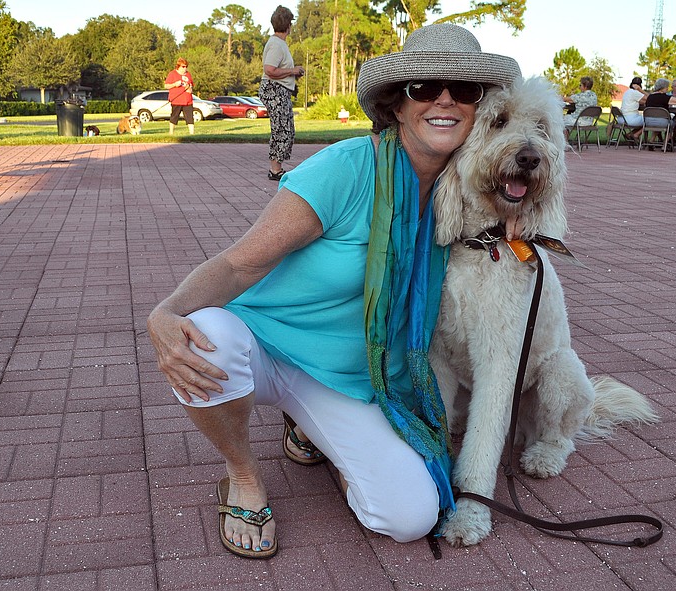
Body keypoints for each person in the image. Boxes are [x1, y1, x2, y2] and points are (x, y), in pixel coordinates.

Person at [146, 23, 521, 560]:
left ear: (479, 108)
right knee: (206, 334)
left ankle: (312, 430)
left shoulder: (466, 191)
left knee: (409, 517)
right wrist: (165, 311)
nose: (444, 101)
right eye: (424, 88)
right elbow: (238, 263)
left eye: (463, 90)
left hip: (352, 377)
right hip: (267, 348)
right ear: (396, 104)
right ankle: (242, 475)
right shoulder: (344, 170)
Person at [260, 6, 305, 181]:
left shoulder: (278, 43)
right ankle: (275, 169)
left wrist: (292, 73)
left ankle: (277, 167)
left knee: (285, 128)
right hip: (274, 89)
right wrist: (293, 71)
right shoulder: (277, 45)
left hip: (278, 89)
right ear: (288, 25)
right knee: (282, 128)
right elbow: (270, 70)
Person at [164, 58, 194, 135]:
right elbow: (166, 86)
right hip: (176, 100)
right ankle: (171, 133)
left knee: (190, 117)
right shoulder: (172, 74)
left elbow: (191, 86)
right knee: (174, 116)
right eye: (183, 66)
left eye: (186, 66)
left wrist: (189, 88)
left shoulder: (188, 74)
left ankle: (192, 134)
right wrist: (175, 84)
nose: (185, 68)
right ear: (178, 66)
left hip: (188, 101)